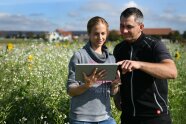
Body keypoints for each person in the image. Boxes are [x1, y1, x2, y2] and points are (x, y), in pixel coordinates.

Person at [113, 7, 177, 124]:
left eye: (129, 27)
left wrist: (139, 64)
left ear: (141, 27)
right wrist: (117, 100)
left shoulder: (154, 45)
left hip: (155, 117)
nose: (124, 30)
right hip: (128, 117)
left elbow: (172, 72)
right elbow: (117, 79)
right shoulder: (119, 49)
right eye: (122, 26)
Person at [67, 16, 121, 124]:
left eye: (103, 33)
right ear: (89, 34)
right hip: (81, 119)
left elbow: (111, 93)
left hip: (105, 117)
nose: (100, 37)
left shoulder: (111, 58)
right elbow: (70, 90)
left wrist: (115, 85)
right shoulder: (79, 56)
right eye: (96, 34)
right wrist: (86, 85)